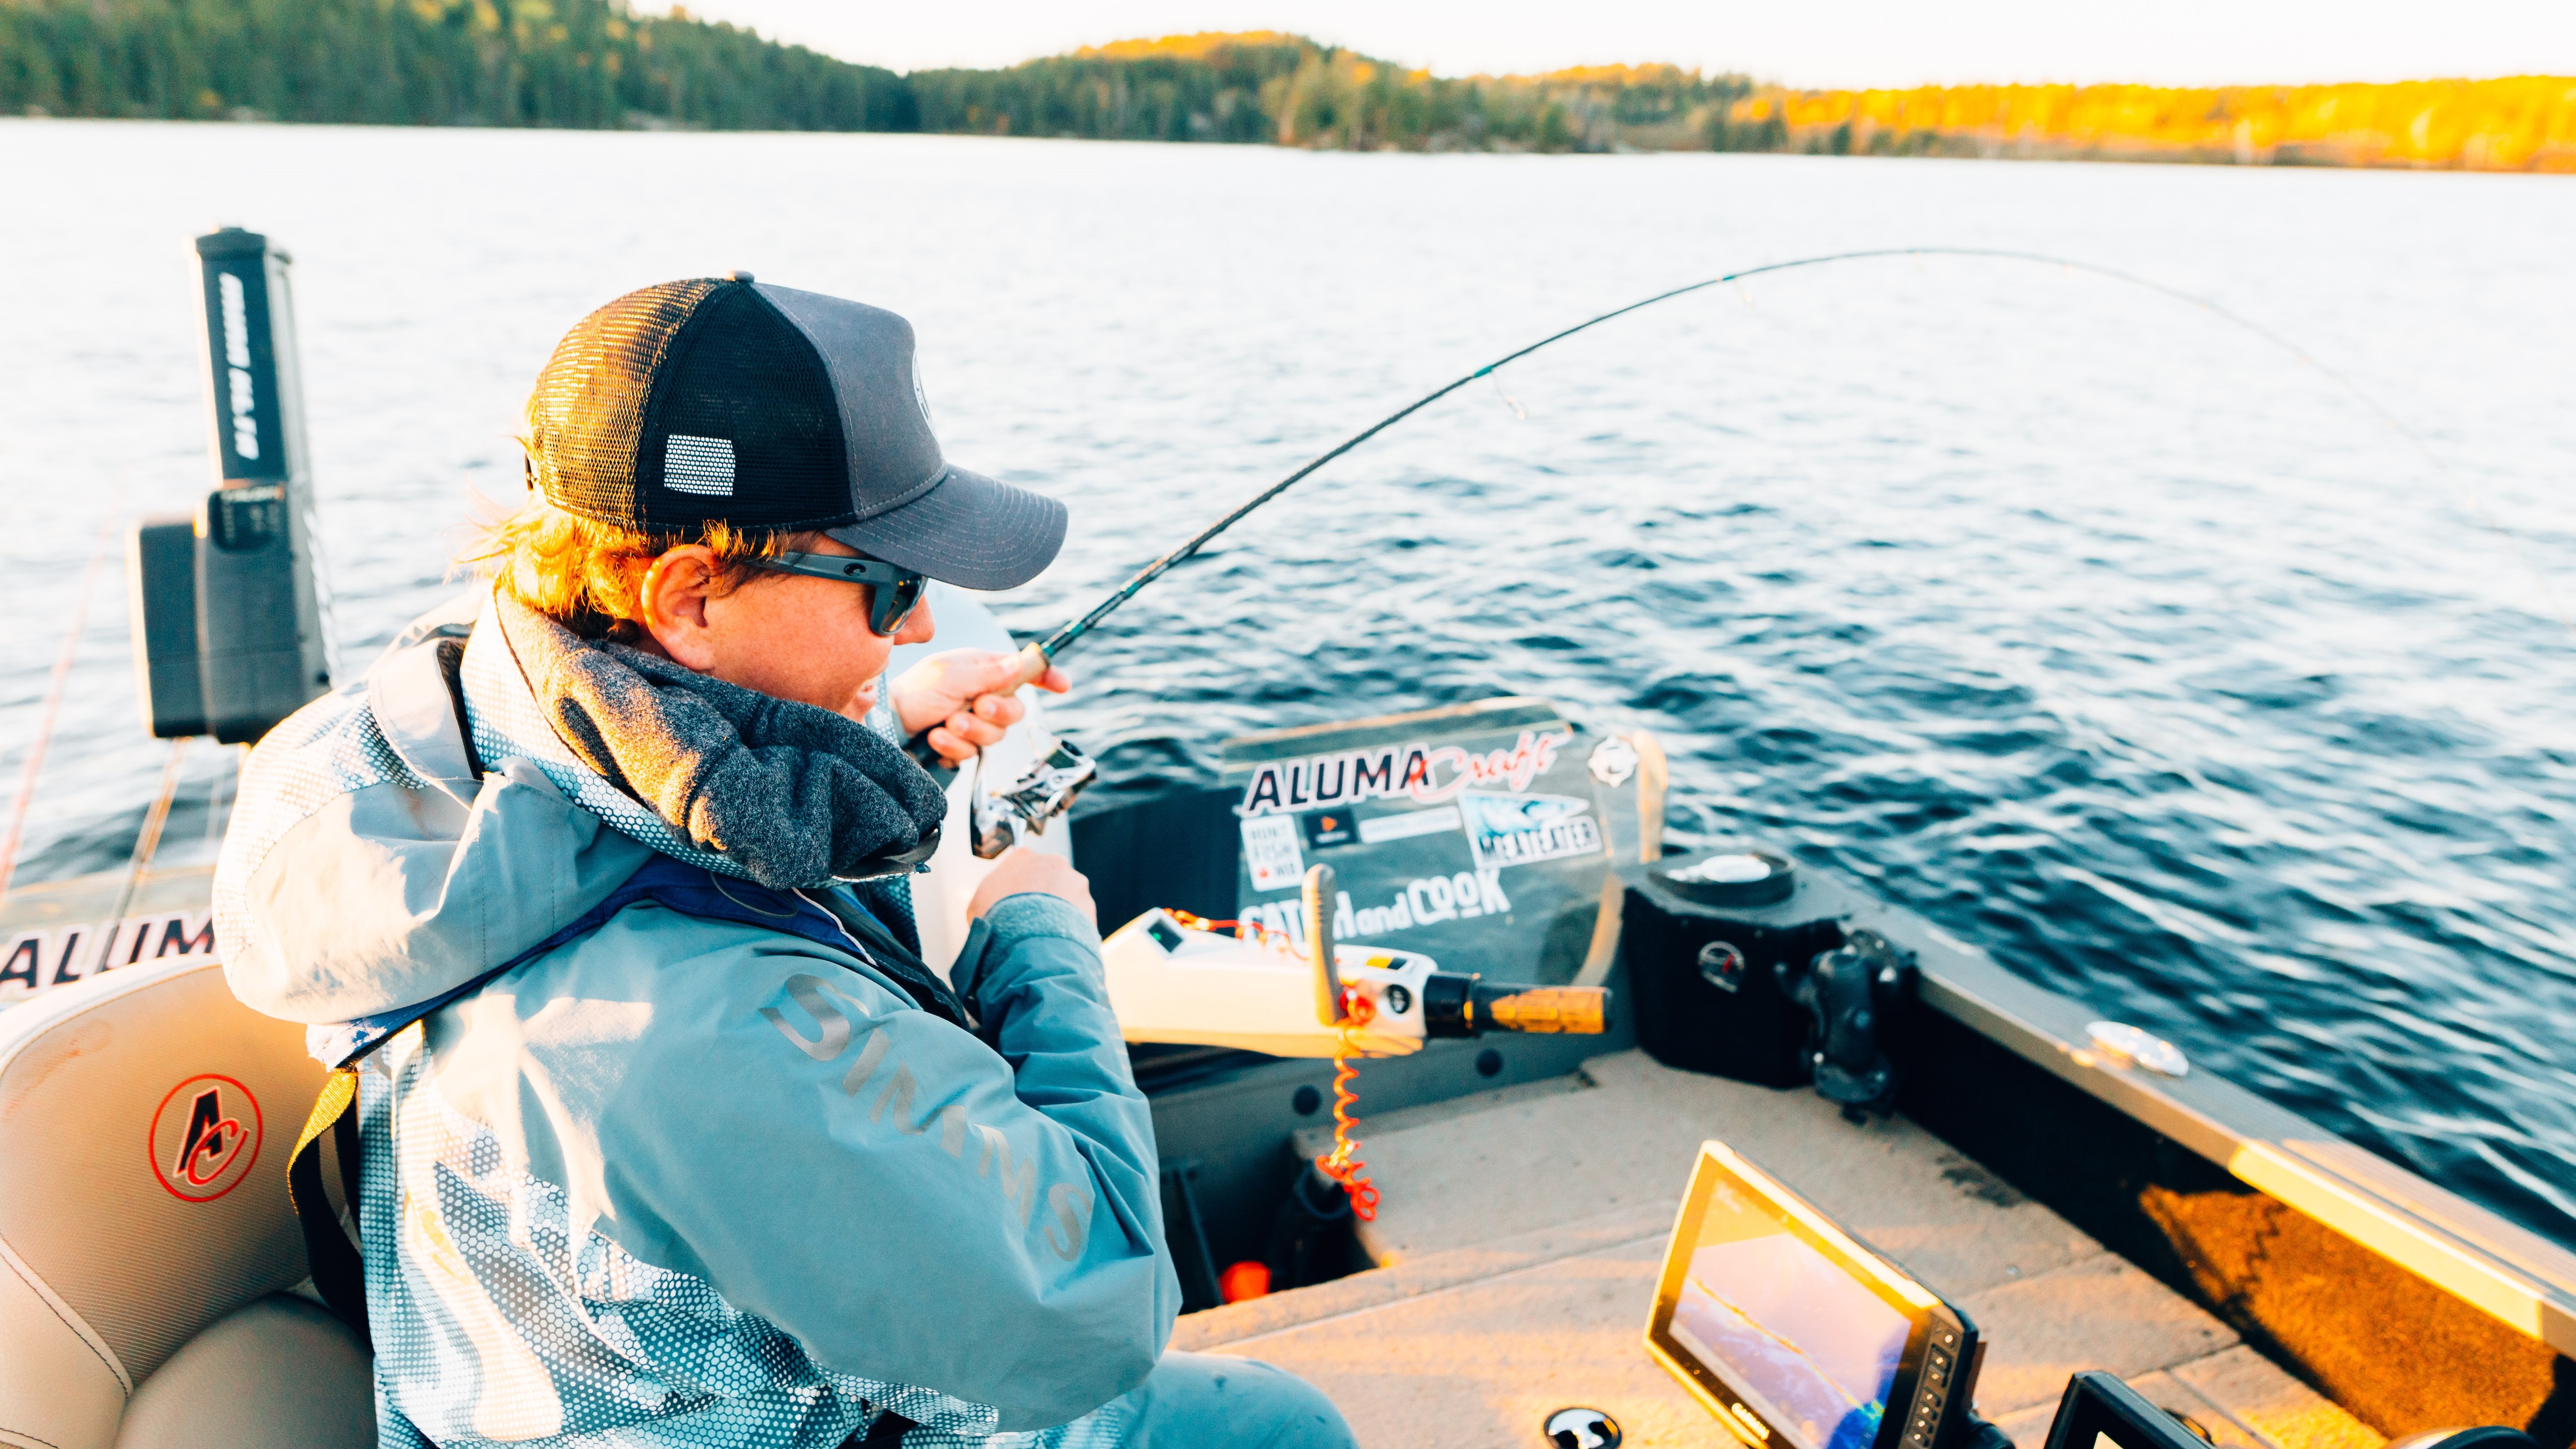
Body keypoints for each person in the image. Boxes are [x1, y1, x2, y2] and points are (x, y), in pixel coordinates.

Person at [214, 275, 1355, 1449]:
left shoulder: (399, 748)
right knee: (1279, 1428)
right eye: (890, 587)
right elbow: (1097, 1314)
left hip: (536, 1380)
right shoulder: (708, 1029)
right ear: (690, 598)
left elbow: (624, 843)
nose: (919, 628)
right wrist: (1040, 934)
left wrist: (863, 743)